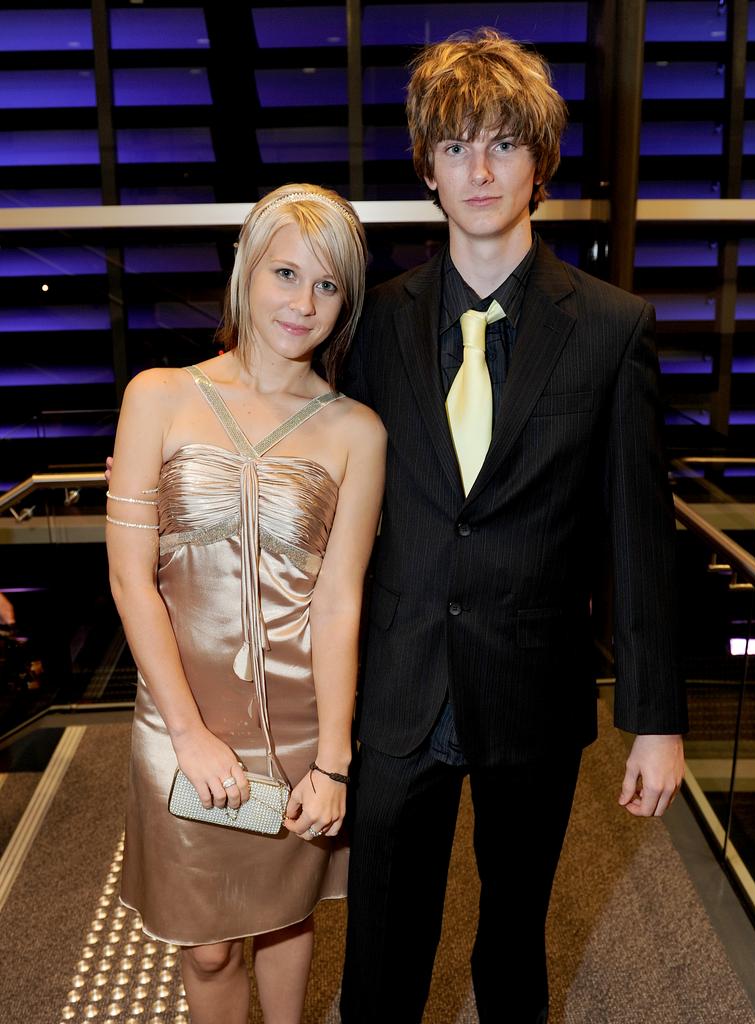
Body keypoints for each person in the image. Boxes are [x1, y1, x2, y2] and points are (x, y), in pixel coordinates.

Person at [338, 29, 688, 1024]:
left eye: (501, 143)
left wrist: (656, 719)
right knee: (382, 946)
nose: (479, 168)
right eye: (455, 148)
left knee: (513, 939)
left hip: (531, 684)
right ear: (428, 171)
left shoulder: (612, 328)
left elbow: (639, 537)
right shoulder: (376, 321)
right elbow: (305, 447)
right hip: (398, 680)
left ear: (541, 162)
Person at [106, 183, 385, 1024]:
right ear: (245, 271)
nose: (304, 303)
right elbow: (131, 580)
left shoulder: (356, 433)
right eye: (286, 273)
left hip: (301, 723)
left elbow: (339, 604)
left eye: (329, 285)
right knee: (209, 943)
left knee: (281, 914)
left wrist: (334, 760)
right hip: (179, 718)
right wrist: (188, 733)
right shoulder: (156, 396)